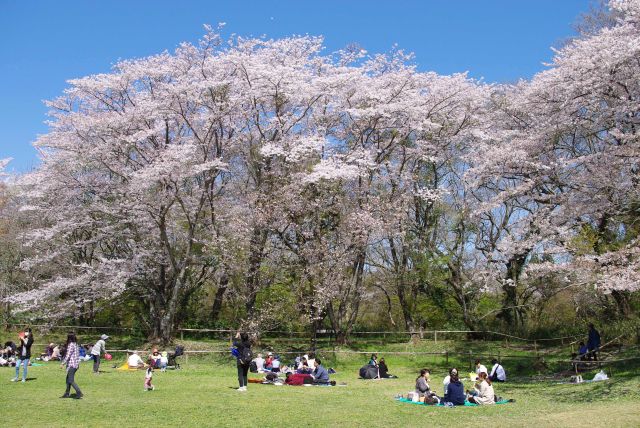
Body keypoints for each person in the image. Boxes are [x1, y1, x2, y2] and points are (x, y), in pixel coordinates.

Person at [60, 332, 83, 399]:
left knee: (70, 380)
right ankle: (66, 394)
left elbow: (68, 355)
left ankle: (79, 393)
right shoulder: (76, 344)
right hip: (76, 364)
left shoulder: (71, 345)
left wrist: (62, 363)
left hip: (72, 365)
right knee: (68, 380)